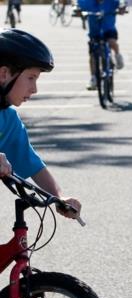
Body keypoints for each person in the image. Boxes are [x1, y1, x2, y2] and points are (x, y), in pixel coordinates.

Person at [0, 29, 82, 219]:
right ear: (4, 74)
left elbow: (31, 162)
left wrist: (60, 197)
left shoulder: (8, 119)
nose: (35, 89)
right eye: (31, 78)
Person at [78, 0, 126, 90]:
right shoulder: (87, 2)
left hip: (108, 29)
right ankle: (93, 78)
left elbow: (121, 3)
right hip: (94, 31)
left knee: (112, 42)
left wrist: (121, 8)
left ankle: (118, 55)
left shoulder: (112, 2)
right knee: (93, 54)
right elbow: (77, 5)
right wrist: (77, 10)